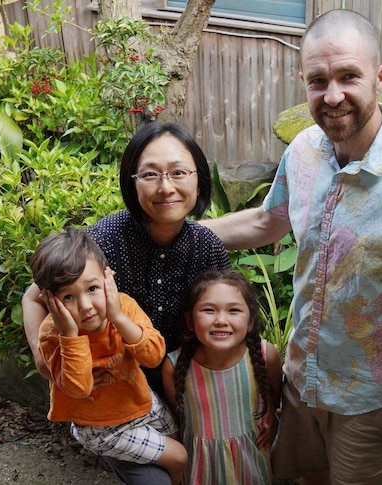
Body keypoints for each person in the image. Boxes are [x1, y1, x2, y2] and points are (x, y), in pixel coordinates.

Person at [200, 9, 382, 484]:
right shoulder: (304, 148)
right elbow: (270, 220)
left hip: (371, 400)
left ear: (380, 77)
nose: (333, 96)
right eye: (318, 80)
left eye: (349, 76)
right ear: (302, 80)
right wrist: (184, 230)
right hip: (301, 380)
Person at [22, 122, 230, 484]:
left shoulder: (207, 246)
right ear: (132, 182)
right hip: (107, 402)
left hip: (170, 390)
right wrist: (46, 360)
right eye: (151, 174)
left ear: (199, 178)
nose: (166, 187)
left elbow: (230, 315)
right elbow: (34, 294)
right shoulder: (104, 240)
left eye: (179, 172)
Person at [29, 228, 187, 484]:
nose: (86, 306)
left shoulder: (123, 307)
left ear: (108, 278)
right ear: (49, 300)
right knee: (179, 457)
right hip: (101, 427)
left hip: (140, 402)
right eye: (68, 297)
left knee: (178, 438)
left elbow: (154, 356)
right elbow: (78, 388)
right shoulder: (52, 334)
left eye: (92, 288)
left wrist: (118, 318)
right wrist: (70, 334)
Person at [160, 269, 282, 484]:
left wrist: (270, 413)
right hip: (200, 470)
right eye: (209, 310)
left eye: (234, 310)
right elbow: (178, 416)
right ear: (190, 320)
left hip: (251, 466)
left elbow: (274, 394)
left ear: (251, 320)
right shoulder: (175, 366)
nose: (221, 320)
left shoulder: (265, 356)